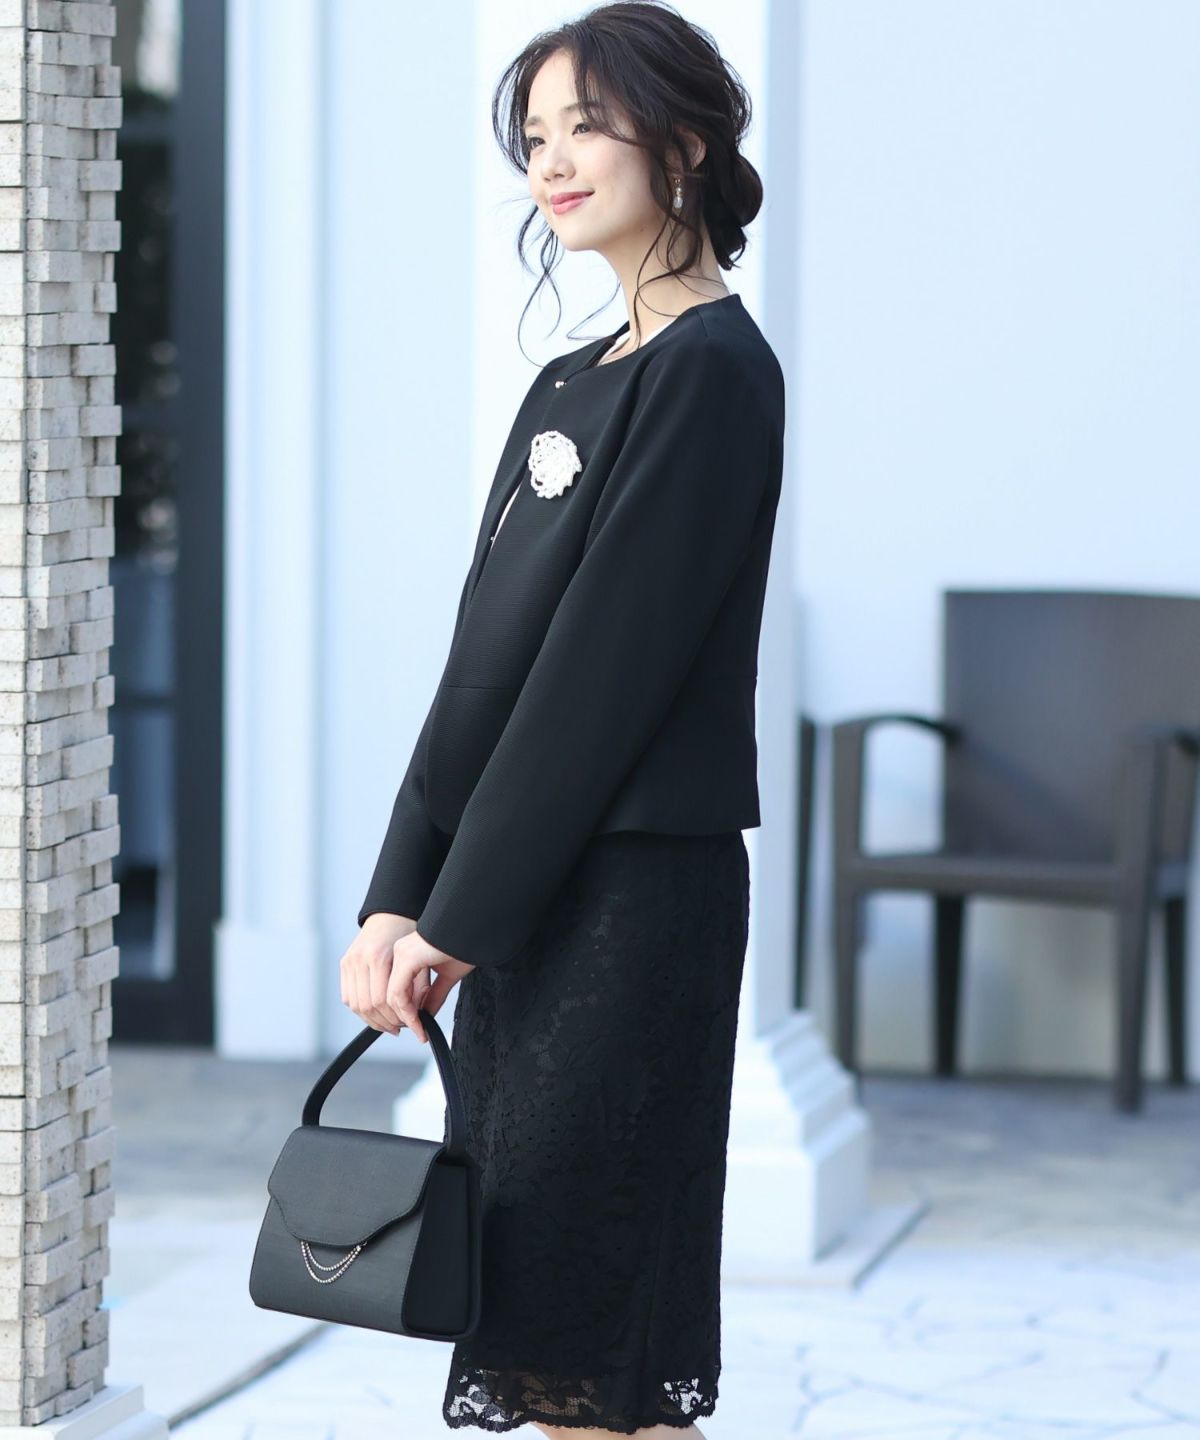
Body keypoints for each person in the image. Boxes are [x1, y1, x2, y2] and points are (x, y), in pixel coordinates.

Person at [339, 3, 785, 1434]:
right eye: (534, 136)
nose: (551, 161)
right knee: (541, 1326)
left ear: (685, 141)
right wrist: (396, 896)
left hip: (632, 905)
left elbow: (599, 684)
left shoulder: (714, 372)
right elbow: (484, 671)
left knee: (592, 1337)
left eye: (586, 125)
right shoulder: (570, 379)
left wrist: (457, 920)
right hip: (528, 906)